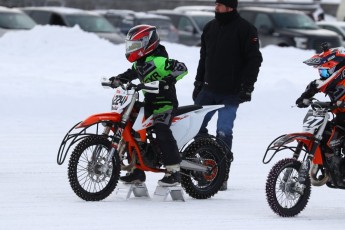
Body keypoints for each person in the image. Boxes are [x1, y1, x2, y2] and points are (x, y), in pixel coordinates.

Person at [193, 0, 263, 190]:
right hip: (208, 90)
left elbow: (254, 60)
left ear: (230, 7)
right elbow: (203, 58)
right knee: (194, 127)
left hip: (230, 93)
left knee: (224, 132)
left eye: (220, 5)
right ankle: (208, 166)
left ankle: (221, 174)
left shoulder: (246, 29)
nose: (216, 7)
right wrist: (198, 83)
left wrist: (247, 87)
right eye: (216, 4)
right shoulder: (209, 28)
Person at [110, 24, 188, 186]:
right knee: (132, 127)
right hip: (149, 103)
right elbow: (130, 74)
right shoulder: (139, 63)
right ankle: (136, 170)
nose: (131, 49)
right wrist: (118, 79)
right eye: (130, 46)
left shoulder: (160, 61)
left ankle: (173, 171)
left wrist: (168, 80)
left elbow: (182, 68)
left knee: (161, 130)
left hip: (165, 104)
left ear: (147, 44)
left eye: (135, 46)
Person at [296, 44, 345, 185]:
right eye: (320, 72)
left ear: (337, 69)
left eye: (324, 72)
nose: (322, 76)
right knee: (325, 135)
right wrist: (304, 97)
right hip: (341, 118)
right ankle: (330, 167)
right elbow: (314, 85)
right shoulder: (328, 82)